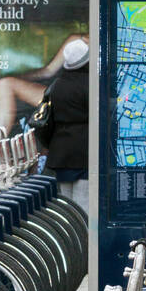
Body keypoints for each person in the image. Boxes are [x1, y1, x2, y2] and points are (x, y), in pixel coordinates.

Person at [43, 37, 89, 212]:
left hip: (61, 153)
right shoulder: (91, 86)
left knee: (66, 210)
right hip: (85, 153)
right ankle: (83, 240)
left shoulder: (56, 86)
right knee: (83, 208)